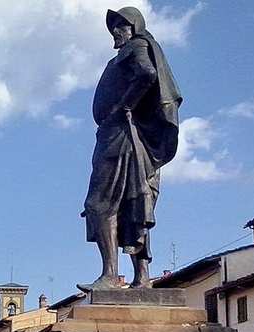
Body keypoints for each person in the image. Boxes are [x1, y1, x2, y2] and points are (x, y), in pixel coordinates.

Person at [79, 6, 181, 291]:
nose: (116, 30)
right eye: (114, 26)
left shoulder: (136, 47)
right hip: (128, 136)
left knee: (98, 204)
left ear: (135, 27)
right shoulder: (130, 52)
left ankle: (110, 275)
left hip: (120, 135)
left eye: (122, 25)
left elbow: (147, 74)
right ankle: (142, 277)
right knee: (135, 203)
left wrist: (124, 106)